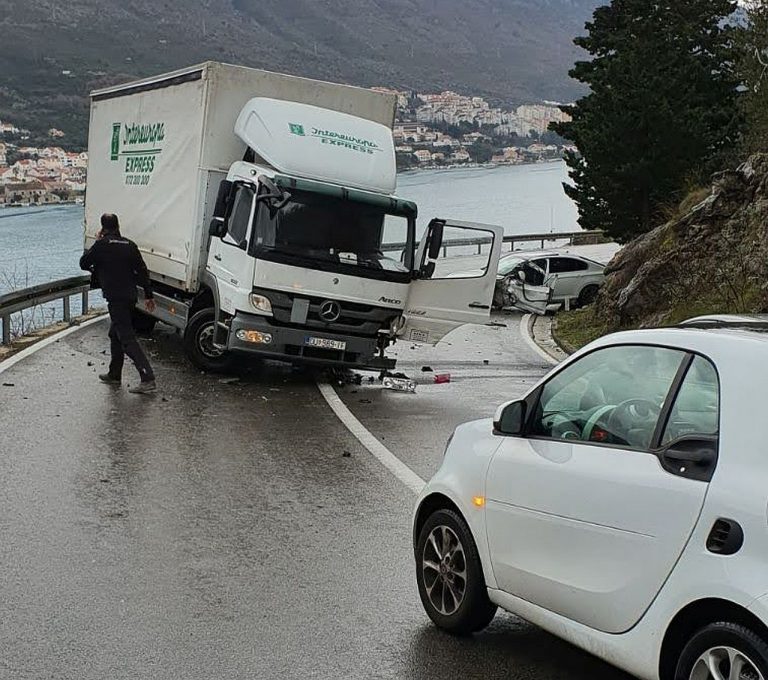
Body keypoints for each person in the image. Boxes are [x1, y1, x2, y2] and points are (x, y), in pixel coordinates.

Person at [79, 213, 157, 394]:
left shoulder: (101, 246)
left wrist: (97, 241)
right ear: (118, 225)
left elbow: (84, 263)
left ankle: (147, 378)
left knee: (127, 338)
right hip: (130, 297)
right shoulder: (130, 245)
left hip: (115, 297)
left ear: (102, 228)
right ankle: (115, 374)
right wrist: (149, 295)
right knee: (115, 334)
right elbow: (142, 270)